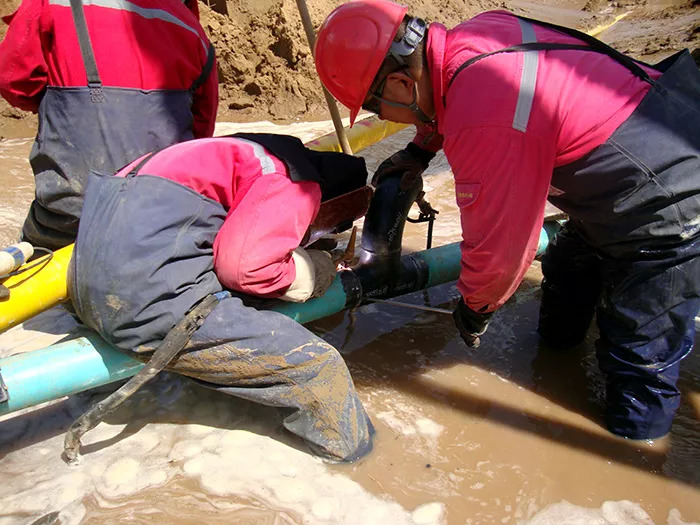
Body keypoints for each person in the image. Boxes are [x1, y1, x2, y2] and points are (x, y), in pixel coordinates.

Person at [314, 0, 700, 440]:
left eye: (378, 108)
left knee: (638, 360)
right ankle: (561, 360)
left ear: (402, 83)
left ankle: (638, 455)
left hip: (671, 194)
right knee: (567, 276)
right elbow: (447, 94)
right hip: (656, 135)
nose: (383, 118)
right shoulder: (478, 37)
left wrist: (476, 308)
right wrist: (419, 150)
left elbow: (501, 251)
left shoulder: (484, 118)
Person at [67, 133, 375, 461]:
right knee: (319, 368)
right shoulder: (295, 179)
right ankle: (355, 460)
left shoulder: (226, 152)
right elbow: (247, 271)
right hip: (147, 305)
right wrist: (318, 270)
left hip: (84, 292)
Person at [0, 0, 218, 250]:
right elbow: (201, 133)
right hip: (162, 218)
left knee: (33, 255)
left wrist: (63, 106)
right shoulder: (192, 29)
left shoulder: (49, 4)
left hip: (70, 216)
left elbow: (13, 81)